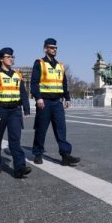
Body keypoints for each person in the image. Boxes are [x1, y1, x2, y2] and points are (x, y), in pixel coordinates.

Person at [31, 38, 80, 166]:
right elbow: (34, 83)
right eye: (52, 47)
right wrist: (38, 98)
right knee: (41, 129)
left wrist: (67, 98)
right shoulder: (39, 63)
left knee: (61, 129)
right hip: (44, 102)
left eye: (56, 48)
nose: (55, 49)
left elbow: (64, 84)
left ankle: (65, 155)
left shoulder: (60, 66)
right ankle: (37, 153)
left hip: (57, 103)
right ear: (45, 49)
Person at [0, 47, 32, 178]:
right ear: (1, 59)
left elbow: (23, 93)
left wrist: (26, 108)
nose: (11, 59)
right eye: (8, 57)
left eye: (13, 57)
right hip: (0, 110)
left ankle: (19, 167)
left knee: (15, 140)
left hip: (15, 111)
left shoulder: (18, 75)